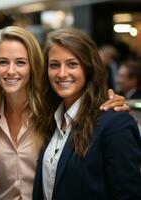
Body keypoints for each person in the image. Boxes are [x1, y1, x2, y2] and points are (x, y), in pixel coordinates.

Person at [0, 26, 130, 200]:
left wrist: (113, 102)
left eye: (21, 62)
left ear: (34, 66)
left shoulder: (49, 111)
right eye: (3, 62)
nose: (11, 70)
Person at [33, 28, 141, 200]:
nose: (61, 73)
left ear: (88, 67)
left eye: (72, 64)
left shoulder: (115, 122)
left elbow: (128, 195)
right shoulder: (51, 119)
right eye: (54, 65)